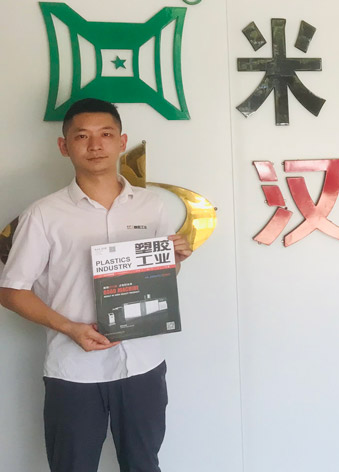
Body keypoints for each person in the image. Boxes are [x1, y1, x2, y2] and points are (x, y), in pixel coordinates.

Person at [0, 98, 191, 472]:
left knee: (144, 464)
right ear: (64, 145)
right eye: (81, 136)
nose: (95, 145)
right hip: (74, 370)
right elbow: (11, 291)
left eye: (106, 134)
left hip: (143, 364)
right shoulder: (44, 214)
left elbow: (159, 278)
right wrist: (70, 328)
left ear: (122, 142)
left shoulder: (150, 206)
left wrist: (174, 261)